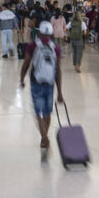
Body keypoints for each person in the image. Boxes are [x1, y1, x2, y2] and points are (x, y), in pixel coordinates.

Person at [18, 21, 64, 150]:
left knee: (38, 112)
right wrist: (60, 92)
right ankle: (45, 137)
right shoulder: (56, 48)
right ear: (51, 34)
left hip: (35, 82)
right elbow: (58, 71)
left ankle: (44, 138)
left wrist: (21, 79)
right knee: (47, 112)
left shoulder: (33, 45)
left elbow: (26, 64)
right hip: (49, 83)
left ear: (39, 32)